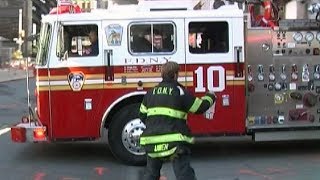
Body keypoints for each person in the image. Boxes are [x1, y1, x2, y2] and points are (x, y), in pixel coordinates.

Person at [139, 61, 217, 180]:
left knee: (151, 174)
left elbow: (142, 115)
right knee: (184, 174)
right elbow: (199, 107)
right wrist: (210, 97)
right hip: (175, 141)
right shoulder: (179, 91)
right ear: (175, 75)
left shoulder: (150, 93)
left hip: (151, 141)